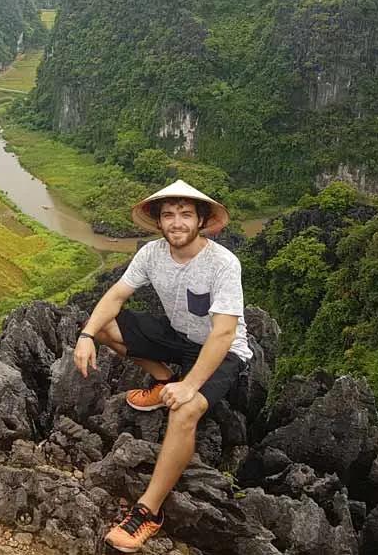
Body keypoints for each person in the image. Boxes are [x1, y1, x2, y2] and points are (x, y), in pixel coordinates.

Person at [73, 179, 251, 553]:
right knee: (104, 324)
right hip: (179, 338)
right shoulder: (152, 254)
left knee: (185, 411)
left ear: (202, 220)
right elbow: (117, 295)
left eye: (186, 214)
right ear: (159, 222)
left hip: (223, 351)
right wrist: (87, 335)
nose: (177, 222)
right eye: (168, 215)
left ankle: (148, 511)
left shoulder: (222, 264)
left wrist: (190, 387)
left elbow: (223, 333)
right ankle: (163, 379)